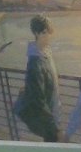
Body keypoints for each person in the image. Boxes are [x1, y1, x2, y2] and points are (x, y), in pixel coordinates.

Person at [13, 14, 63, 142]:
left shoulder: (46, 52)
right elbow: (39, 101)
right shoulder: (36, 62)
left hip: (54, 116)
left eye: (49, 32)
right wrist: (54, 129)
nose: (48, 36)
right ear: (36, 33)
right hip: (49, 122)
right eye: (44, 33)